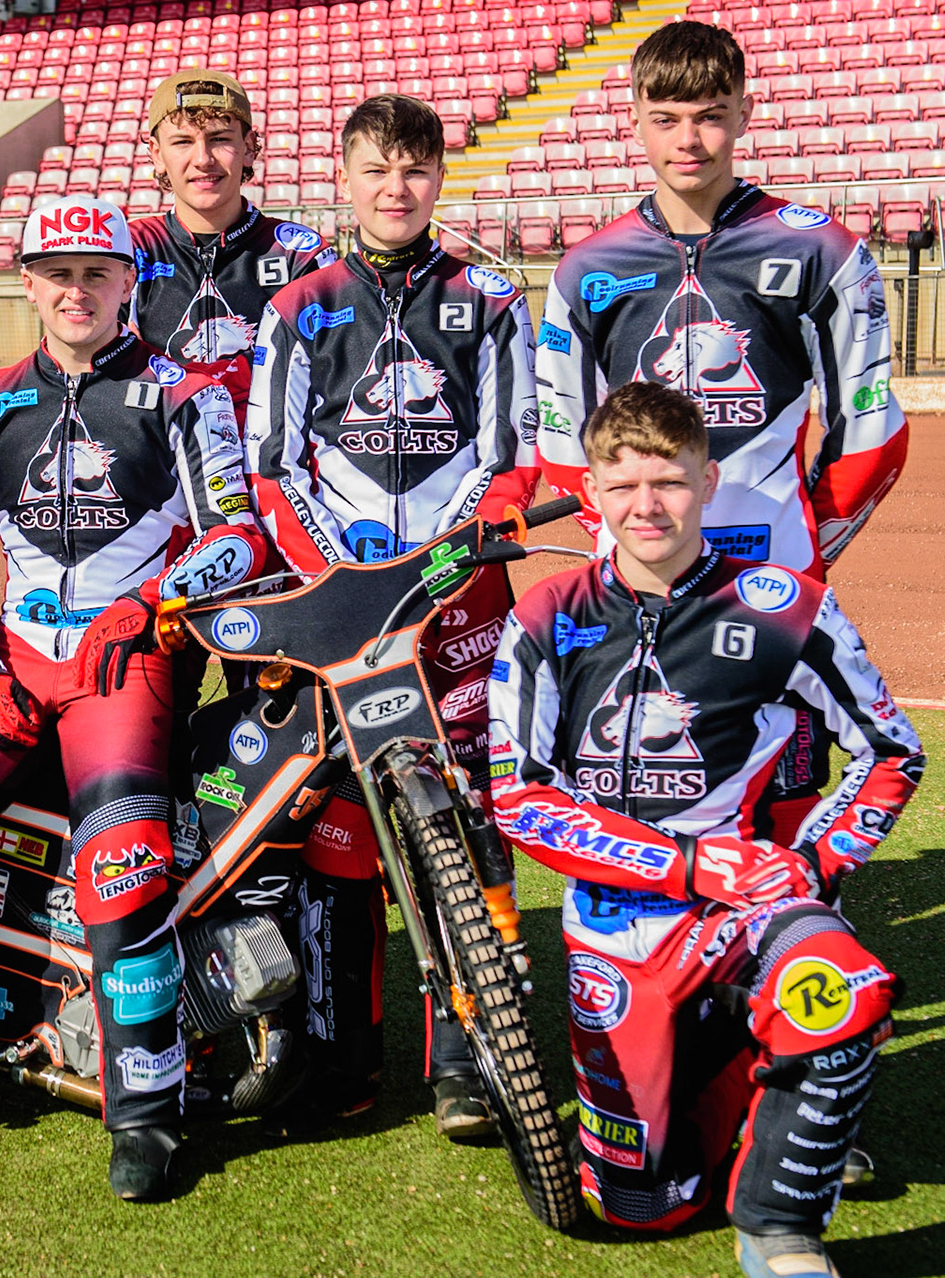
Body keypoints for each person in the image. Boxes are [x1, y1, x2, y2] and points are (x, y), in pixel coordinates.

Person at [0, 195, 265, 1200]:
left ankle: (146, 1110)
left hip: (132, 667)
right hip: (15, 665)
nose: (76, 290)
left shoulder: (188, 396)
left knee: (124, 877)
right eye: (56, 273)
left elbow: (237, 536)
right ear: (28, 283)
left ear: (129, 284)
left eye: (96, 273)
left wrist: (156, 599)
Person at [489, 382, 923, 1278]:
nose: (647, 506)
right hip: (615, 922)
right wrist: (686, 864)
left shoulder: (783, 604)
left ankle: (780, 1230)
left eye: (671, 482)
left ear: (710, 480)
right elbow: (521, 800)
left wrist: (808, 867)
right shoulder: (545, 614)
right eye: (624, 486)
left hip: (742, 913)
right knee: (641, 1207)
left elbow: (892, 753)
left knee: (841, 989)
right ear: (593, 493)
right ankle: (750, 1109)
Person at [533, 19, 910, 860]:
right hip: (638, 582)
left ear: (743, 110)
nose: (689, 139)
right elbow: (562, 441)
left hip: (772, 578)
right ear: (633, 118)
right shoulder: (585, 268)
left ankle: (779, 958)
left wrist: (803, 548)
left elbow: (872, 433)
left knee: (785, 789)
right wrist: (631, 550)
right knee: (637, 783)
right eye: (666, 118)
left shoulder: (822, 250)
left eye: (708, 114)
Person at [246, 93, 539, 1136]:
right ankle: (343, 1058)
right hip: (338, 610)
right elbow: (270, 467)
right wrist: (342, 582)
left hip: (460, 608)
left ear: (438, 179)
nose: (396, 188)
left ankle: (470, 1058)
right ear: (344, 176)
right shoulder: (299, 304)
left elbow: (513, 461)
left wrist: (441, 567)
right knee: (336, 835)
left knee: (469, 825)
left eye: (414, 169)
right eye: (377, 169)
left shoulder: (493, 298)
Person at [128, 70, 336, 403]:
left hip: (271, 450)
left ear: (250, 147)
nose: (203, 159)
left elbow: (334, 377)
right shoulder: (130, 249)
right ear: (156, 153)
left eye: (220, 138)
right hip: (165, 450)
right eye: (183, 141)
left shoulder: (300, 255)